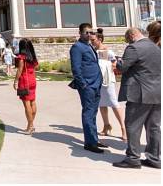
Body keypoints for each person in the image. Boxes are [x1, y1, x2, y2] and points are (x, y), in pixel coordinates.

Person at [112, 28, 161, 169]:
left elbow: (123, 67)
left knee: (132, 126)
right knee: (154, 128)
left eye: (128, 39)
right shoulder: (156, 48)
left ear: (133, 35)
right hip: (157, 93)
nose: (128, 41)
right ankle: (154, 158)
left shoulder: (133, 47)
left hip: (139, 94)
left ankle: (133, 158)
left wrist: (117, 62)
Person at [69, 22, 106, 153]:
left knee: (93, 113)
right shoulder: (77, 47)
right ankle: (89, 143)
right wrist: (83, 84)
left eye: (92, 32)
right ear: (80, 33)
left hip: (96, 83)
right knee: (88, 112)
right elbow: (76, 68)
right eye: (87, 32)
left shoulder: (89, 46)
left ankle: (94, 139)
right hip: (87, 85)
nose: (90, 34)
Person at [91, 28, 126, 141]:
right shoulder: (92, 50)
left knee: (113, 103)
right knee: (101, 103)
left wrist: (112, 65)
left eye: (93, 40)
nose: (92, 42)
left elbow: (114, 64)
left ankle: (123, 128)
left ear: (100, 39)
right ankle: (106, 125)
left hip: (107, 80)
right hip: (97, 80)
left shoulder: (107, 51)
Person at [13, 38, 39, 135]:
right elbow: (36, 67)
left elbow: (20, 70)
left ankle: (30, 126)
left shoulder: (22, 57)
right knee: (33, 101)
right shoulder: (32, 57)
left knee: (26, 104)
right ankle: (30, 125)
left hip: (24, 81)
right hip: (32, 80)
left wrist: (15, 81)